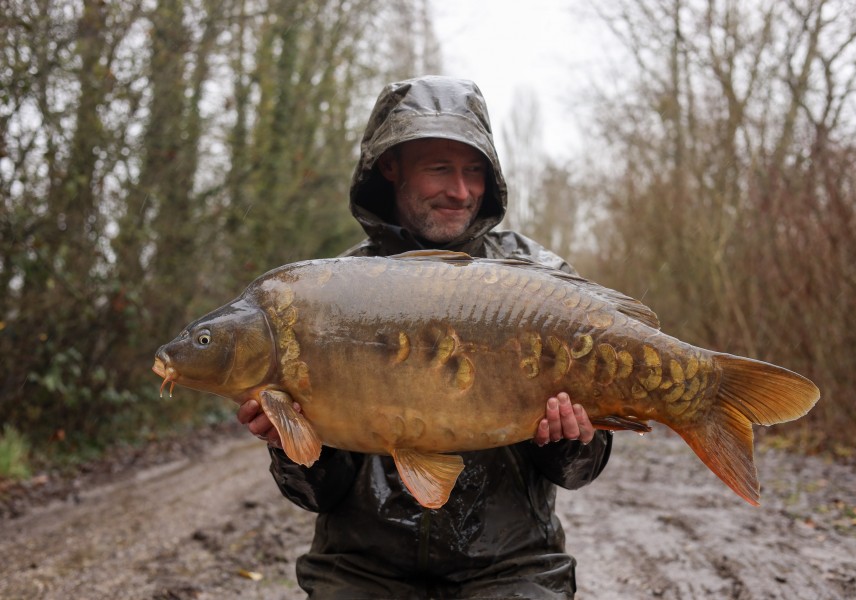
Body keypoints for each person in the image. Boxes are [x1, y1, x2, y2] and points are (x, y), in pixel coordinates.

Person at [236, 75, 613, 599]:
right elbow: (319, 496)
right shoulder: (325, 294)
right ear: (390, 167)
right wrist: (293, 447)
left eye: (474, 171)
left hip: (512, 566)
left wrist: (571, 443)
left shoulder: (540, 279)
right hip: (362, 570)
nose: (461, 192)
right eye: (440, 170)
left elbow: (578, 473)